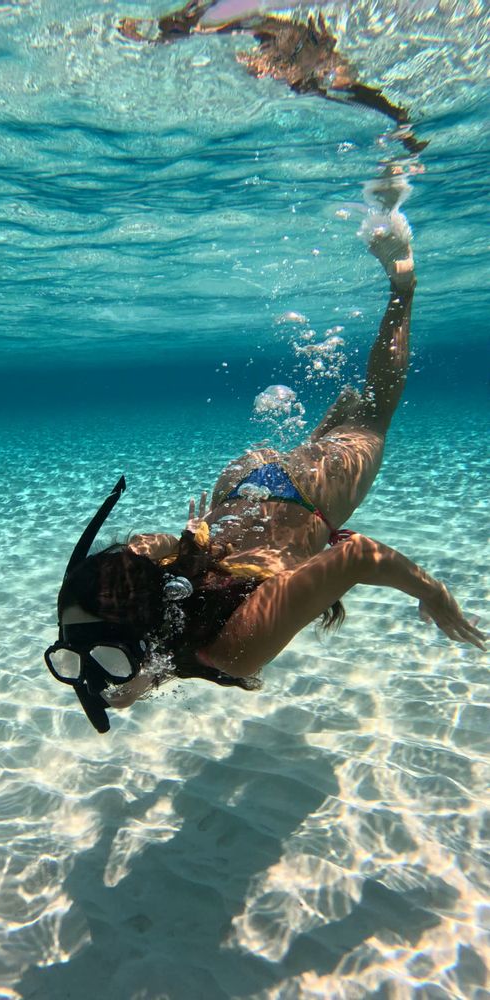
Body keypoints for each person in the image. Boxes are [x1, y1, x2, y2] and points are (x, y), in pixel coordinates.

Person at [44, 194, 484, 733]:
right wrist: (144, 667)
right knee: (325, 436)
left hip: (310, 503)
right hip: (241, 485)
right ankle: (328, 426)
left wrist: (434, 594)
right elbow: (145, 562)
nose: (100, 673)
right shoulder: (135, 579)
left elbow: (358, 557)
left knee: (376, 410)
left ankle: (402, 286)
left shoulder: (236, 649)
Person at [118, 0, 427, 155]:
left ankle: (397, 118)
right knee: (327, 88)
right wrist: (148, 40)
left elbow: (261, 28)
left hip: (294, 45)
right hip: (293, 43)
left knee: (324, 87)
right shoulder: (208, 19)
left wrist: (265, 63)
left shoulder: (209, 20)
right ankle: (397, 118)